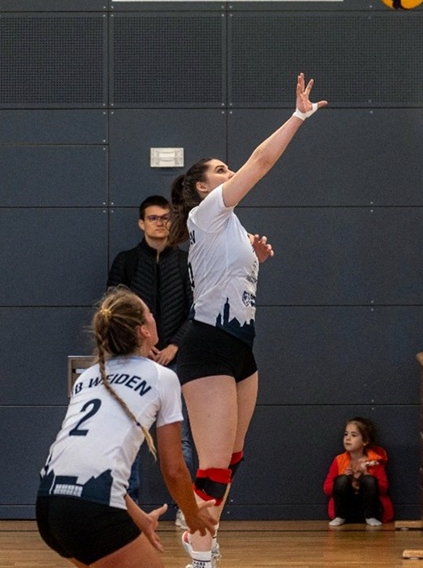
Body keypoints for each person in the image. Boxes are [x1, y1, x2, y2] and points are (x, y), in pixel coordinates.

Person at [168, 72, 326, 568]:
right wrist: (298, 115)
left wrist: (254, 257)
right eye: (219, 169)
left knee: (231, 460)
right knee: (213, 465)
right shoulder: (205, 215)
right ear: (200, 187)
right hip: (208, 348)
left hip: (241, 349)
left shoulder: (231, 226)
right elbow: (261, 161)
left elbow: (226, 278)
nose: (228, 170)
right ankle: (201, 552)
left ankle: (197, 522)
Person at [36, 287, 217, 568]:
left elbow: (93, 464)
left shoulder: (90, 375)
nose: (154, 316)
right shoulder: (162, 377)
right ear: (143, 330)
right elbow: (173, 468)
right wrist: (192, 515)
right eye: (150, 313)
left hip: (49, 506)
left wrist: (139, 517)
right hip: (91, 509)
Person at [107, 195, 197, 509]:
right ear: (141, 223)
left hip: (175, 362)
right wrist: (140, 347)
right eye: (154, 218)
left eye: (166, 218)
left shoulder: (187, 261)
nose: (161, 223)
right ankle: (127, 504)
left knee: (181, 437)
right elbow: (114, 310)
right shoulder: (126, 262)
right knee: (129, 432)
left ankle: (187, 507)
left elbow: (197, 309)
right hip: (132, 361)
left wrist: (174, 345)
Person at [322, 416, 393, 528]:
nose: (348, 438)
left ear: (365, 441)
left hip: (369, 508)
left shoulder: (375, 461)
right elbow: (326, 488)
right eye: (346, 434)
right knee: (341, 480)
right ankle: (340, 516)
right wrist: (345, 477)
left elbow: (384, 488)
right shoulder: (339, 460)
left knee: (369, 480)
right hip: (347, 509)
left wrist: (366, 474)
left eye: (353, 435)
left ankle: (371, 516)